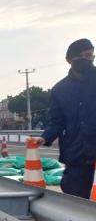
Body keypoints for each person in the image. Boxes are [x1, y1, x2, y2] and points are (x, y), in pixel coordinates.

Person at [32, 38, 96, 199]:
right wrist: (44, 137)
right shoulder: (60, 90)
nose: (88, 60)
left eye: (91, 56)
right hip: (76, 154)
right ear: (71, 59)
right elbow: (57, 121)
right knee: (75, 200)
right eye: (84, 56)